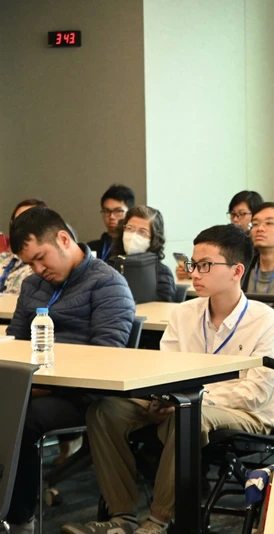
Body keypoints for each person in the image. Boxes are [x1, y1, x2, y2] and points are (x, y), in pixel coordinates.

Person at [61, 224, 274, 534]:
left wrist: (187, 399)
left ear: (236, 271)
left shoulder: (266, 320)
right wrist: (159, 397)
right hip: (179, 404)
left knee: (187, 415)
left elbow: (255, 393)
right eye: (193, 263)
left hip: (245, 413)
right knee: (104, 411)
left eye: (205, 265)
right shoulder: (184, 313)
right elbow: (164, 370)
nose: (194, 273)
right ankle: (121, 517)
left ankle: (157, 521)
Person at [4, 207, 135, 533]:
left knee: (21, 419)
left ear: (63, 239)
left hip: (82, 396)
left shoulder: (108, 285)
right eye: (30, 263)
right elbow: (16, 342)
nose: (37, 269)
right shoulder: (34, 285)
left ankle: (20, 520)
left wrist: (34, 387)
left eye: (40, 258)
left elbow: (103, 363)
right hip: (34, 387)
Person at [110, 205, 176, 302]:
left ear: (154, 239)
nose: (133, 236)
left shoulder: (161, 273)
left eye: (142, 232)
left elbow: (163, 309)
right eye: (130, 228)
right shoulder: (110, 266)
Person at [0, 199, 47, 294]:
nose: (20, 228)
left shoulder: (46, 264)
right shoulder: (3, 258)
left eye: (28, 221)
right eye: (17, 221)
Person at [88, 184, 136, 261]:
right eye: (106, 211)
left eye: (118, 211)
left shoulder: (135, 249)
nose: (111, 216)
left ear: (130, 213)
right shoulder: (91, 248)